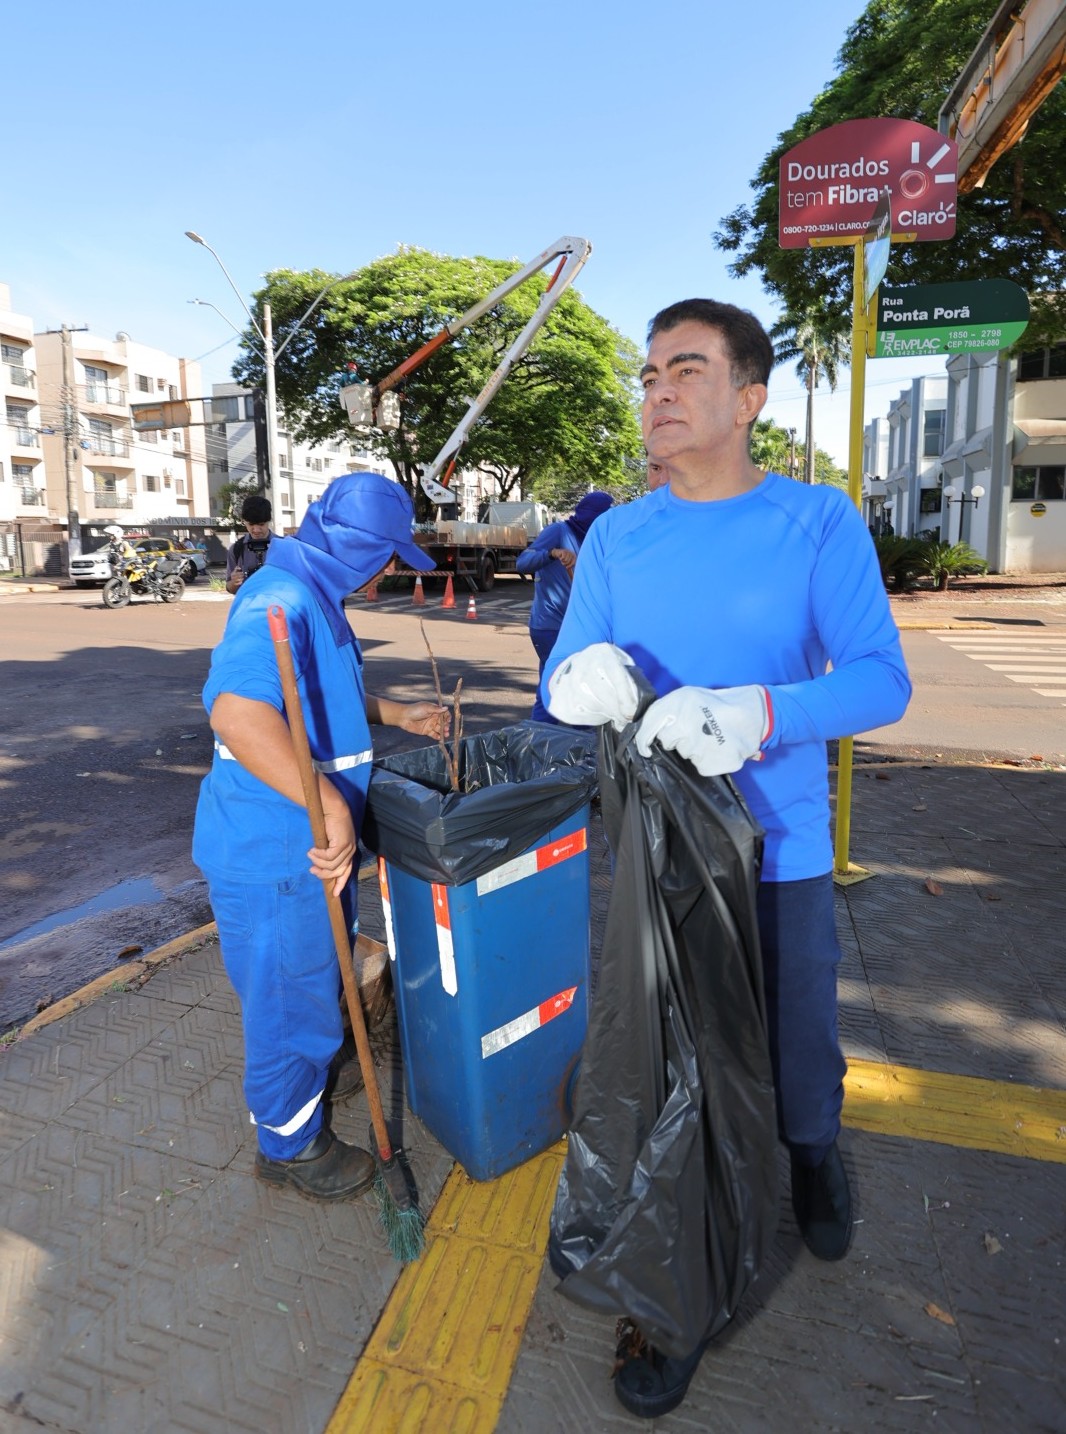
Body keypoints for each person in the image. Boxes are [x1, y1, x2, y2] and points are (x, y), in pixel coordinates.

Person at [543, 299, 911, 1418]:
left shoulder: (816, 525)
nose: (656, 389)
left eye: (685, 369)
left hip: (782, 854)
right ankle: (670, 1293)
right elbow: (567, 670)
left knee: (796, 1053)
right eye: (649, 371)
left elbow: (878, 681)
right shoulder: (616, 536)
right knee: (665, 1079)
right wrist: (578, 685)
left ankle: (811, 1153)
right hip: (656, 858)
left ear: (749, 398)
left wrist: (759, 711)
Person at [193, 472, 448, 1201]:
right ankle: (290, 1145)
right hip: (278, 854)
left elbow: (312, 695)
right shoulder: (279, 598)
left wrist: (396, 715)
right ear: (366, 552)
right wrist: (333, 809)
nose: (392, 571)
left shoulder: (312, 593)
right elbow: (240, 714)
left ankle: (307, 1081)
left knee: (311, 983)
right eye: (391, 557)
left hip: (309, 856)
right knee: (288, 1001)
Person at [514, 492, 613, 722]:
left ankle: (545, 742)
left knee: (556, 686)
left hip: (579, 627)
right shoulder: (558, 532)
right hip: (550, 625)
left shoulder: (595, 539)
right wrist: (552, 553)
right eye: (603, 515)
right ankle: (555, 743)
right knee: (565, 685)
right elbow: (522, 563)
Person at [225, 493, 274, 594]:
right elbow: (230, 588)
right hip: (248, 607)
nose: (256, 530)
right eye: (251, 524)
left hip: (279, 608)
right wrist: (234, 581)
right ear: (244, 521)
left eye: (261, 524)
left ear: (269, 521)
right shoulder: (236, 550)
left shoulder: (284, 547)